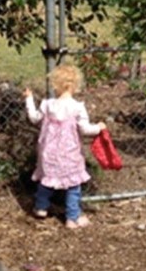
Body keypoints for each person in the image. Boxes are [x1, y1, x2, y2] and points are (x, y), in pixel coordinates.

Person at [24, 64, 106, 229]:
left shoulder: (47, 105)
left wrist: (29, 99)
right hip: (69, 155)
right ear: (74, 86)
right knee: (73, 187)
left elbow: (33, 118)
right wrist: (99, 127)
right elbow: (84, 129)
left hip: (48, 155)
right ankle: (72, 217)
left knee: (46, 181)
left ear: (55, 85)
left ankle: (41, 207)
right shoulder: (77, 107)